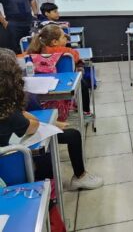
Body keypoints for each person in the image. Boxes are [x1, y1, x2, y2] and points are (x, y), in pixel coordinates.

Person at [0, 48, 103, 190]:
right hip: (11, 163)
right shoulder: (7, 111)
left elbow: (22, 116)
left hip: (10, 150)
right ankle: (74, 179)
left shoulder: (7, 109)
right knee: (64, 141)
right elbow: (33, 126)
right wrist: (44, 121)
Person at [26, 25, 91, 116]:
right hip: (65, 84)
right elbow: (76, 57)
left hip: (41, 86)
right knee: (82, 83)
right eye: (64, 37)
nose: (66, 38)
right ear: (55, 42)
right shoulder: (67, 52)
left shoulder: (33, 51)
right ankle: (85, 111)